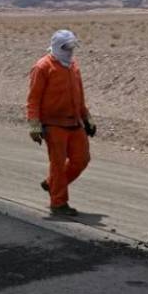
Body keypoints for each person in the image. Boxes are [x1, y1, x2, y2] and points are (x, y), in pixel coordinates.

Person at [26, 29, 96, 216]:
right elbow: (33, 99)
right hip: (53, 124)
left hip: (74, 122)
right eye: (67, 47)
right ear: (58, 46)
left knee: (81, 160)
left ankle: (52, 184)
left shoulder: (73, 66)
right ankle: (58, 203)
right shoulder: (42, 67)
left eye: (73, 46)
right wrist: (34, 124)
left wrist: (87, 117)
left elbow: (79, 95)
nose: (71, 50)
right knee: (57, 164)